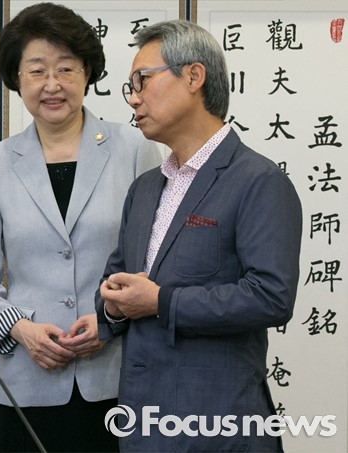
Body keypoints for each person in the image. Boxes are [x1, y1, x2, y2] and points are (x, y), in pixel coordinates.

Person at [0, 3, 161, 452]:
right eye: (36, 71)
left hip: (115, 376)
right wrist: (21, 329)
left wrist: (110, 319)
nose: (52, 85)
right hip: (27, 380)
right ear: (16, 78)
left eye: (66, 68)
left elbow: (157, 257)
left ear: (87, 72)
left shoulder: (133, 149)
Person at [96, 19, 302, 452]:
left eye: (143, 80)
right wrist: (111, 308)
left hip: (219, 429)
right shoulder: (144, 188)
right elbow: (116, 279)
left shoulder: (258, 180)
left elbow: (271, 297)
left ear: (193, 77)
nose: (133, 97)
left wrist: (160, 301)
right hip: (140, 426)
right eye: (130, 86)